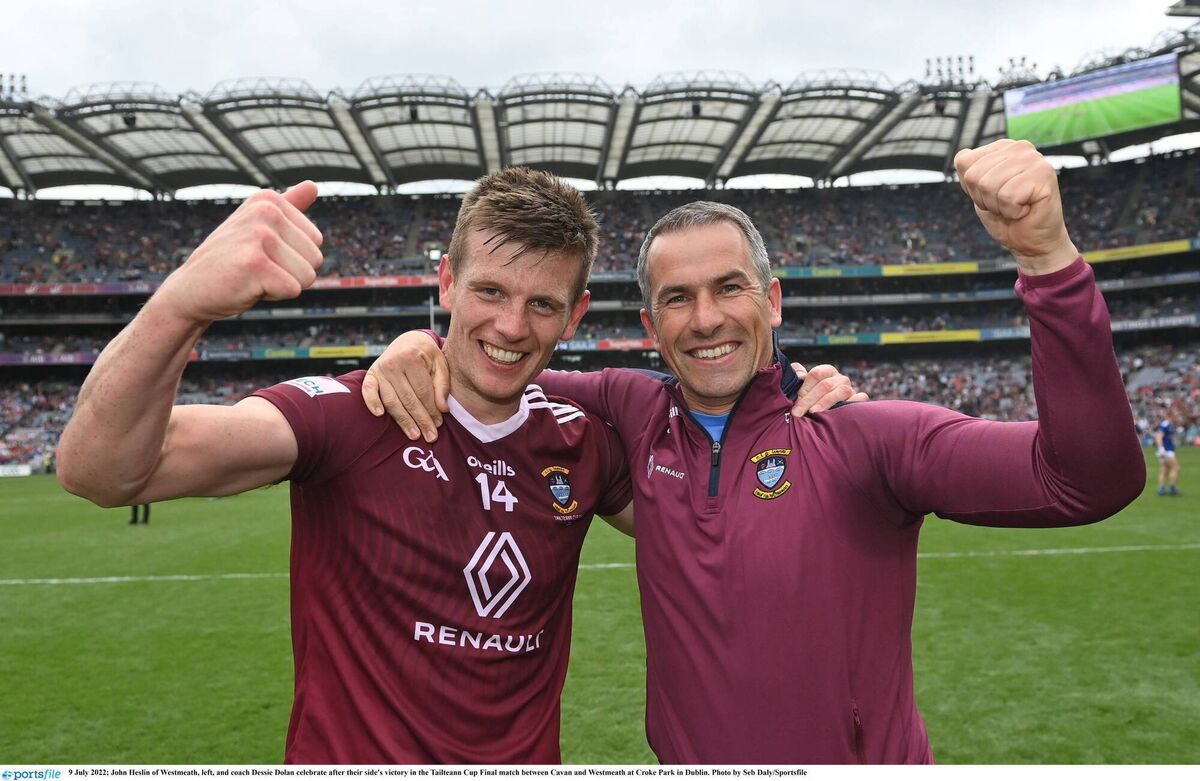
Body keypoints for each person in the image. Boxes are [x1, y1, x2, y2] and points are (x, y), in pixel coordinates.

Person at [365, 139, 1146, 764]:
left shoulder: (865, 434)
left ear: (772, 299)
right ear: (650, 324)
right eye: (677, 298)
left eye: (729, 288)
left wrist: (1047, 260)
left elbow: (1085, 481)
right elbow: (502, 356)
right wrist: (415, 344)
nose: (706, 318)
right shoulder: (632, 411)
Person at [55, 167, 862, 763]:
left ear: (576, 315)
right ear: (445, 281)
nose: (511, 325)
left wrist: (798, 407)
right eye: (488, 291)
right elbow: (104, 470)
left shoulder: (584, 441)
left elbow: (730, 533)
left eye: (543, 303)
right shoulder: (351, 413)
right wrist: (182, 303)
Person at [1155, 409, 1181, 496]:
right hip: (1166, 451)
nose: (1177, 417)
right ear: (1171, 415)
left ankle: (1161, 488)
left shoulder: (1170, 425)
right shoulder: (1165, 424)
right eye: (1176, 415)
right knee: (1176, 468)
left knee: (1165, 469)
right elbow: (1158, 437)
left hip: (1167, 450)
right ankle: (1172, 487)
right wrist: (1161, 449)